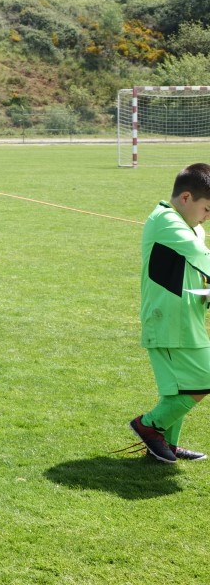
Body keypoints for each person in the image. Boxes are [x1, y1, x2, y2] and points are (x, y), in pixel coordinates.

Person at [128, 162, 210, 463]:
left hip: (188, 318)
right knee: (204, 380)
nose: (208, 217)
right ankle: (148, 427)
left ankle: (164, 445)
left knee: (180, 388)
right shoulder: (165, 219)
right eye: (207, 209)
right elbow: (201, 255)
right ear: (186, 198)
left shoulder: (192, 227)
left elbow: (196, 266)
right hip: (166, 320)